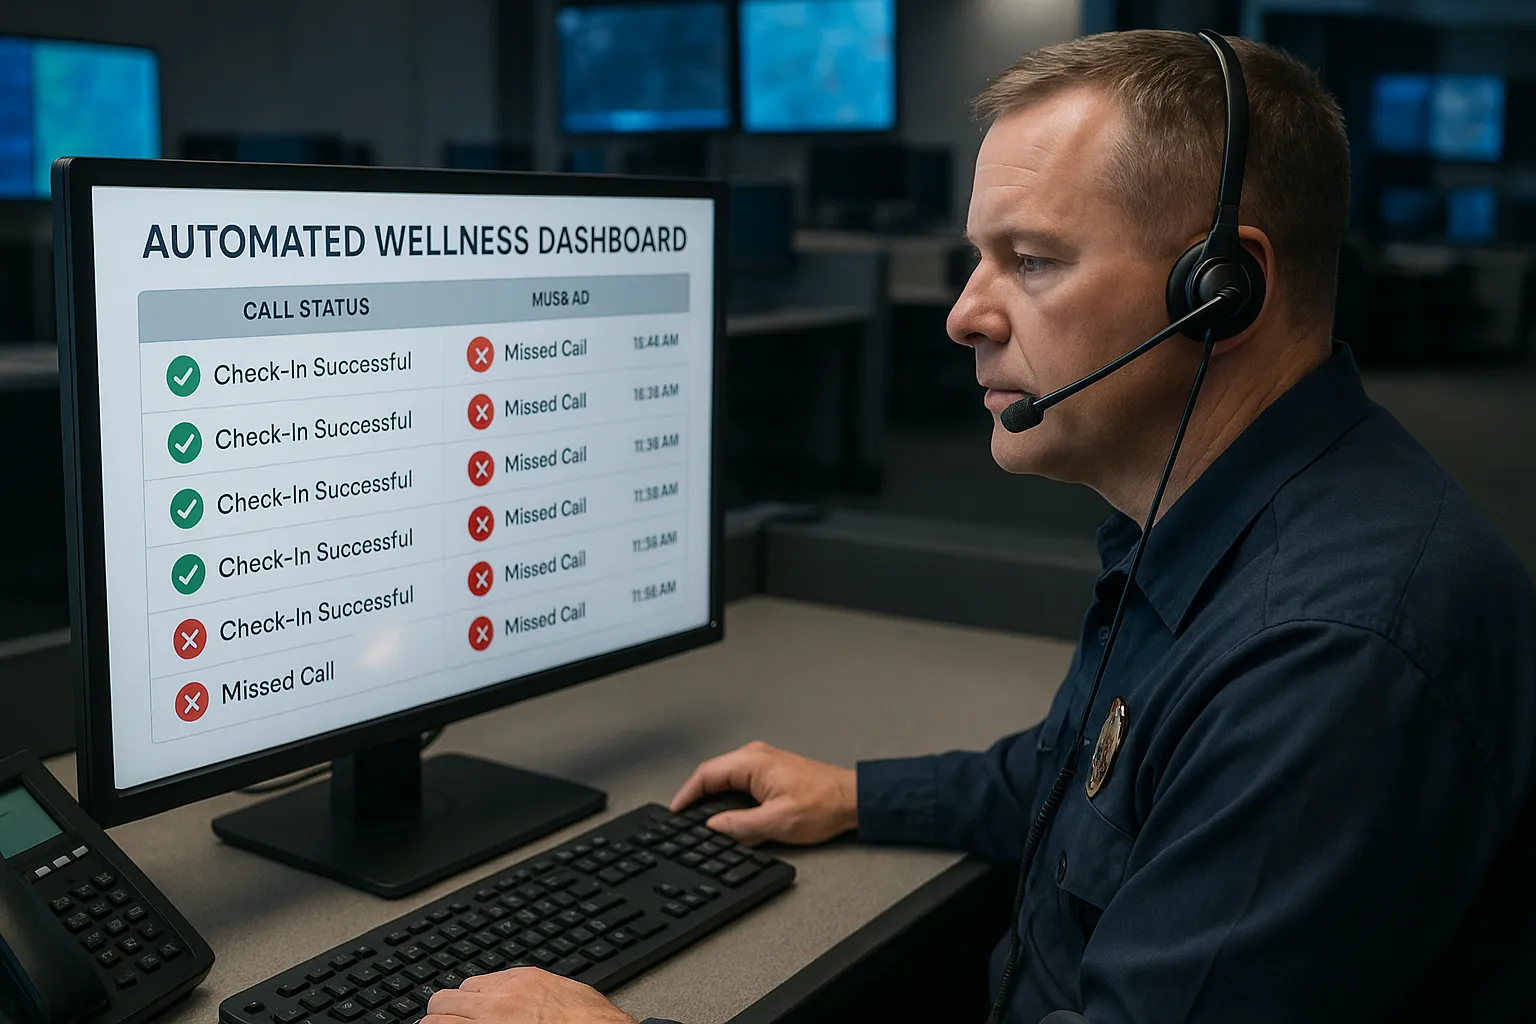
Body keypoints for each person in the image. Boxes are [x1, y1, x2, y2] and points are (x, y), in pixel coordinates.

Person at [418, 29, 1536, 1024]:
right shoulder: (1207, 524)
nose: (963, 314)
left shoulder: (1326, 660)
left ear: (1223, 289)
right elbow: (1092, 780)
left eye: (1032, 261)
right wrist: (861, 793)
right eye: (978, 257)